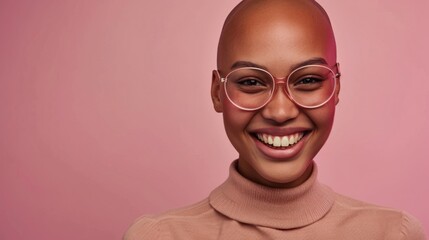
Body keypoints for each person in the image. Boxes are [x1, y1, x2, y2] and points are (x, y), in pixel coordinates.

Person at [124, 0, 426, 239]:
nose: (280, 112)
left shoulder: (392, 234)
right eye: (252, 83)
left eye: (307, 80)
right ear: (218, 93)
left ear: (336, 88)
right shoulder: (160, 236)